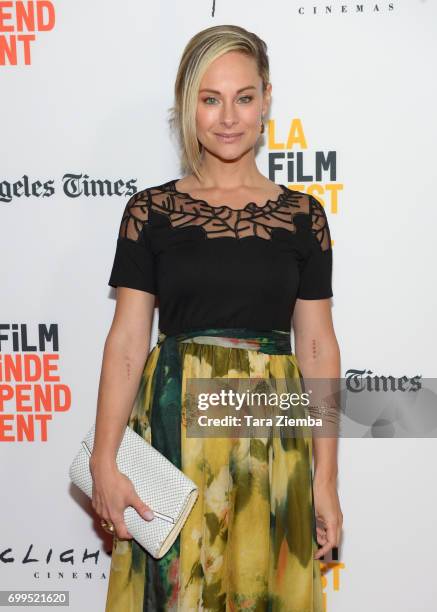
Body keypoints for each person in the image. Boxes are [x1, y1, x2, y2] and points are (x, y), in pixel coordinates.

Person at [90, 23, 343, 612]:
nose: (228, 116)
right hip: (174, 430)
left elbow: (317, 348)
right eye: (210, 99)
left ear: (266, 101)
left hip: (273, 436)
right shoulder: (150, 212)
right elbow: (128, 341)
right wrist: (105, 457)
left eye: (243, 97)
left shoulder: (304, 217)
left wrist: (325, 478)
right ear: (188, 106)